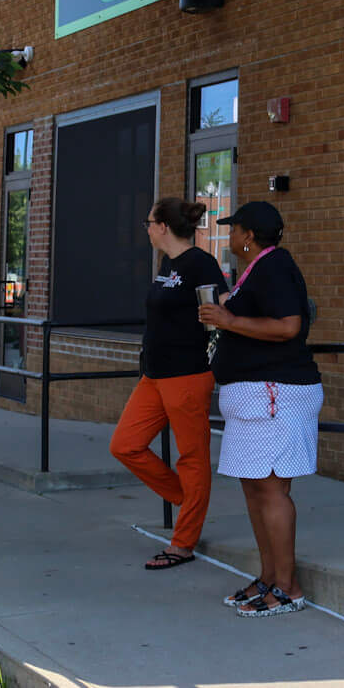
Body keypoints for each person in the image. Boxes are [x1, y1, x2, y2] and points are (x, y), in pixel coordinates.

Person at [197, 200, 322, 616]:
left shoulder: (275, 267)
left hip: (277, 392)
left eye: (234, 229)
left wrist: (228, 321)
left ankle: (289, 587)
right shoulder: (257, 270)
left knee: (270, 488)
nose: (230, 235)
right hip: (253, 393)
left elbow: (289, 326)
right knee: (255, 486)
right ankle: (269, 578)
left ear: (248, 236)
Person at [109, 197, 227, 570]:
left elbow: (220, 312)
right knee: (125, 445)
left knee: (192, 458)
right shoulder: (168, 263)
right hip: (154, 377)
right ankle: (189, 499)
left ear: (162, 227)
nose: (145, 228)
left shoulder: (201, 264)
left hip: (188, 376)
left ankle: (183, 542)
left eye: (148, 222)